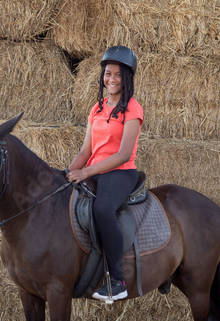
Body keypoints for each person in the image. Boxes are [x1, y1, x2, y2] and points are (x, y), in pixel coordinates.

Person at [66, 46, 143, 301]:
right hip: (95, 170)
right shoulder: (96, 108)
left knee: (102, 210)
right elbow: (86, 149)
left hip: (120, 172)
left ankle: (118, 281)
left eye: (118, 75)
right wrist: (69, 172)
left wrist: (86, 171)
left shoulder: (133, 108)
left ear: (127, 78)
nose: (111, 79)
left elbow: (123, 154)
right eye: (107, 74)